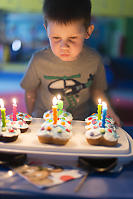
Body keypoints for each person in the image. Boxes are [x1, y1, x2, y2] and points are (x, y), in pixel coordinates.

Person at [20, 0, 121, 126]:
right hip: (44, 122)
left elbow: (97, 91)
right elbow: (30, 91)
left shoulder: (94, 60)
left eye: (72, 38)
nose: (64, 46)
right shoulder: (38, 60)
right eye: (56, 38)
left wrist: (110, 113)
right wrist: (31, 118)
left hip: (79, 123)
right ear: (47, 30)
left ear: (88, 31)